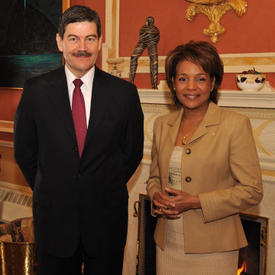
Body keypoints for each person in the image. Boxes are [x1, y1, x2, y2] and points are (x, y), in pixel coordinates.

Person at [14, 5, 144, 275]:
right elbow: (25, 152)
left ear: (100, 42)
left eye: (90, 38)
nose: (82, 47)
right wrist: (52, 186)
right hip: (54, 221)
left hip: (106, 221)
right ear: (60, 42)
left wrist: (101, 185)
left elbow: (132, 153)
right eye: (73, 38)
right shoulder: (36, 91)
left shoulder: (125, 94)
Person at [146, 40, 262, 275]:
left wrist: (196, 201)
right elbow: (154, 178)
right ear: (172, 84)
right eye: (182, 78)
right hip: (168, 245)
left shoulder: (234, 125)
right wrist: (156, 196)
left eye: (200, 78)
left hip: (215, 249)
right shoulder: (161, 125)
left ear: (213, 83)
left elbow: (252, 190)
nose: (191, 87)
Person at [129, 16, 160, 89]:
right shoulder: (144, 29)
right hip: (142, 42)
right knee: (134, 57)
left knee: (154, 61)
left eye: (147, 21)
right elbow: (142, 36)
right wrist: (146, 38)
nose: (146, 22)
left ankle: (154, 85)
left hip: (151, 43)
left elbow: (157, 38)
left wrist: (150, 40)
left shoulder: (155, 30)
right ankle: (131, 82)